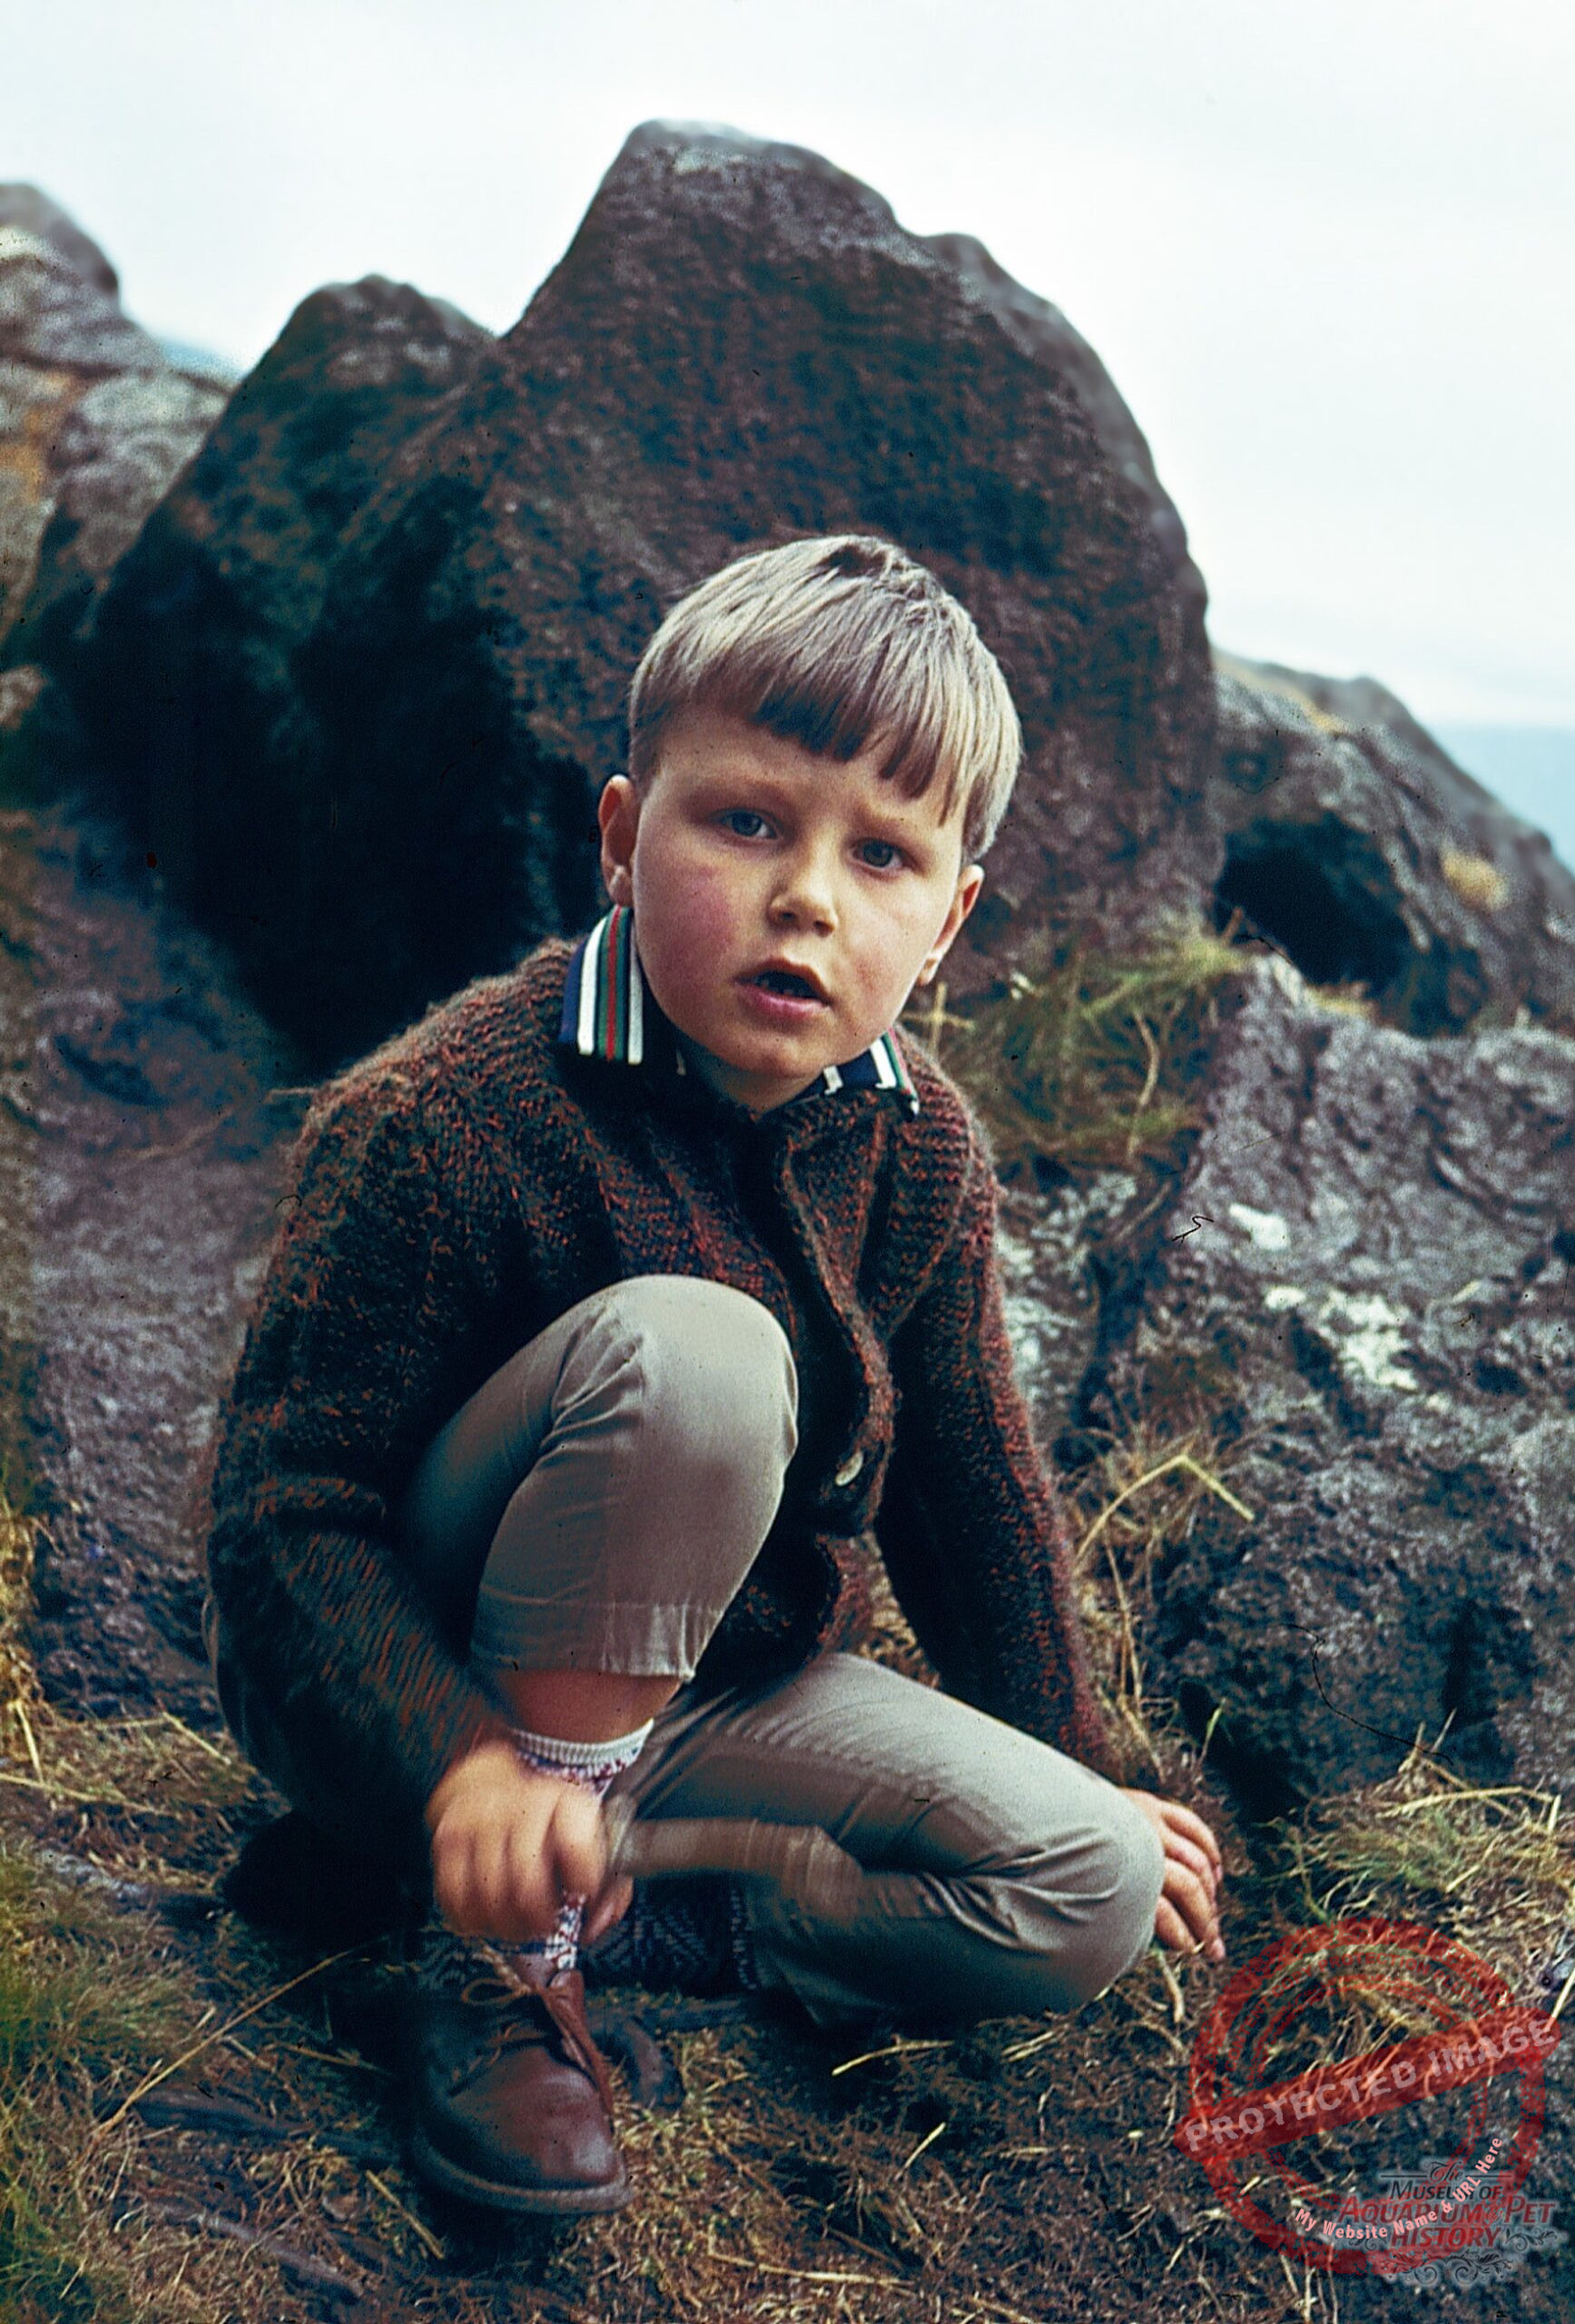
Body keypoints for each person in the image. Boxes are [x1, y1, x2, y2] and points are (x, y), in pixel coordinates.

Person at [205, 533, 1224, 2220]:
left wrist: (1079, 1754)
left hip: (704, 1704)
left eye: (881, 855)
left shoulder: (918, 1155)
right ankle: (488, 1947)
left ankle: (632, 1919)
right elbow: (281, 1528)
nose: (808, 896)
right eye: (746, 822)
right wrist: (455, 1764)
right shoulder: (454, 1115)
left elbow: (969, 1500)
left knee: (1089, 1884)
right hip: (428, 1689)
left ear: (949, 919)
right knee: (703, 1354)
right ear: (622, 835)